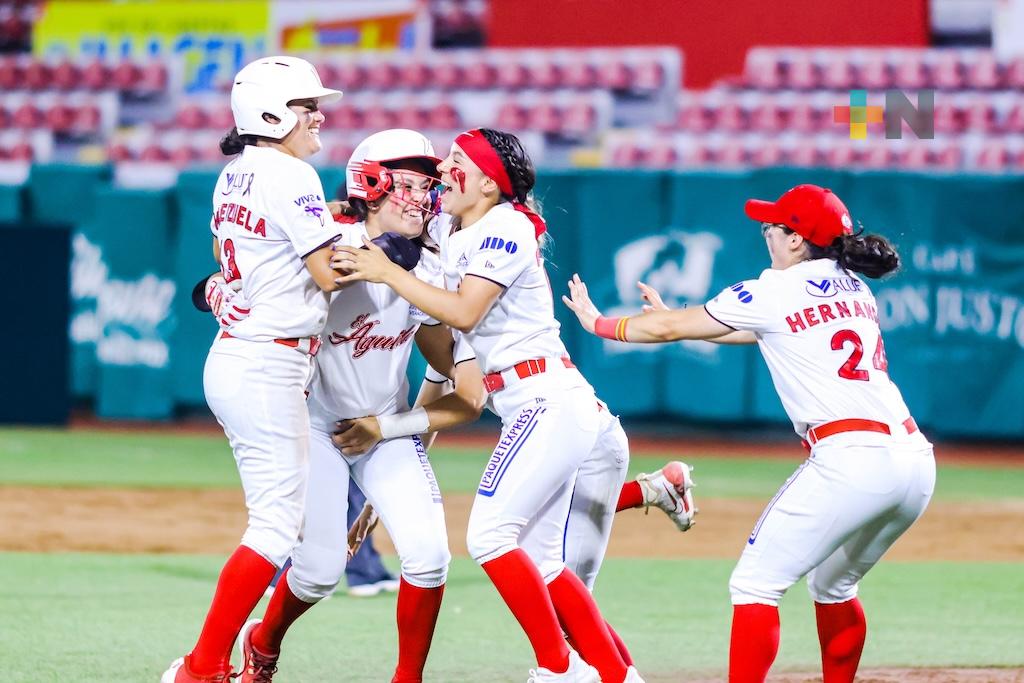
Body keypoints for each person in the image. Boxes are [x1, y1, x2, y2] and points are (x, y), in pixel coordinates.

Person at [562, 184, 935, 683]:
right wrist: (678, 319)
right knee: (833, 586)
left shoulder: (771, 290)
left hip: (850, 458)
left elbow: (676, 330)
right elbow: (761, 328)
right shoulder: (854, 286)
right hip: (914, 461)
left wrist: (601, 325)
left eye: (773, 227)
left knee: (755, 584)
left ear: (798, 240)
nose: (766, 234)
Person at [333, 128, 647, 683]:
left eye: (454, 162)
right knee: (545, 563)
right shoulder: (452, 229)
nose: (439, 176)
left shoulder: (505, 224)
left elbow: (463, 313)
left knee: (488, 536)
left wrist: (389, 272)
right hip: (540, 404)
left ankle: (560, 670)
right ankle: (617, 677)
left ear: (485, 181)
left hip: (547, 400)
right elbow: (445, 380)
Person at [233, 129, 485, 683]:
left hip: (382, 428)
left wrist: (392, 423)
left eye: (429, 185)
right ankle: (264, 641)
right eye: (409, 183)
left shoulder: (431, 261)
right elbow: (249, 274)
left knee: (429, 556)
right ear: (370, 182)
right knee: (319, 573)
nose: (424, 196)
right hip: (314, 425)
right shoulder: (324, 246)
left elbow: (460, 385)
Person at [162, 56, 345, 683]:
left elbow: (226, 254)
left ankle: (204, 664)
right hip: (267, 358)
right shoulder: (292, 174)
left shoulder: (235, 170)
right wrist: (388, 249)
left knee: (276, 521)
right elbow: (327, 275)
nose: (319, 114)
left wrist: (337, 223)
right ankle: (201, 666)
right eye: (306, 105)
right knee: (274, 526)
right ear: (271, 113)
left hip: (245, 353)